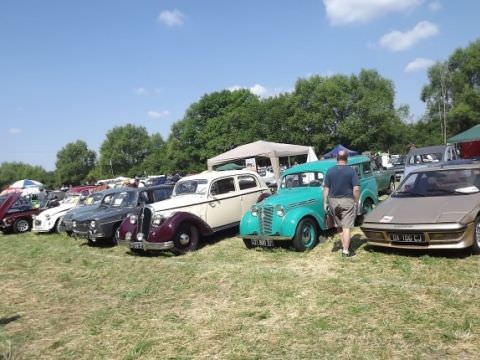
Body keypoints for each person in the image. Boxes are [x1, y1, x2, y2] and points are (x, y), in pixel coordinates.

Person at [323, 150, 360, 257]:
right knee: (346, 226)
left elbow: (326, 189)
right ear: (347, 158)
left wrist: (325, 203)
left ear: (336, 158)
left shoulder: (330, 171)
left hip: (333, 201)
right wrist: (356, 201)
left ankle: (345, 245)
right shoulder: (351, 171)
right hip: (347, 201)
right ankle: (345, 251)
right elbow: (356, 189)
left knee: (339, 226)